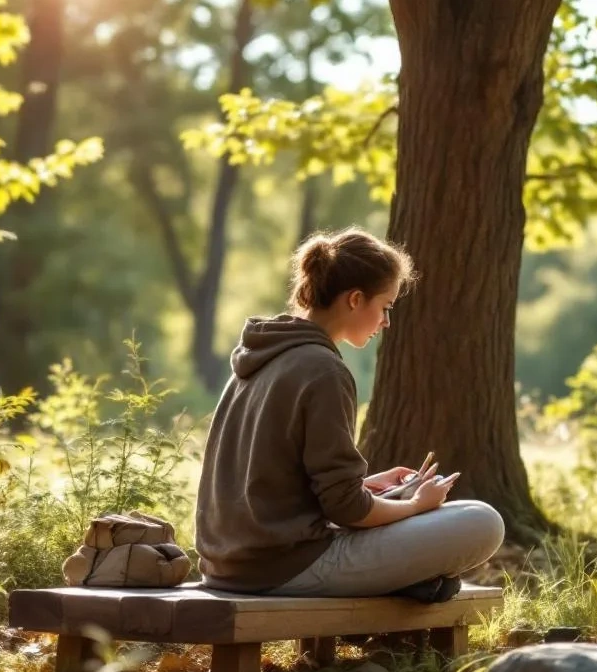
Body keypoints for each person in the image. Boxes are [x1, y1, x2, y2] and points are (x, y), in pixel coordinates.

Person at [194, 227, 505, 602]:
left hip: (227, 564)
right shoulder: (324, 370)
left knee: (466, 510)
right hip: (284, 567)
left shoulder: (260, 357)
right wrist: (414, 505)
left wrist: (369, 484)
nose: (386, 322)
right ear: (355, 299)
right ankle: (408, 579)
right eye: (385, 307)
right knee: (482, 521)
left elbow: (283, 485)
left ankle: (409, 579)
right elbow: (346, 510)